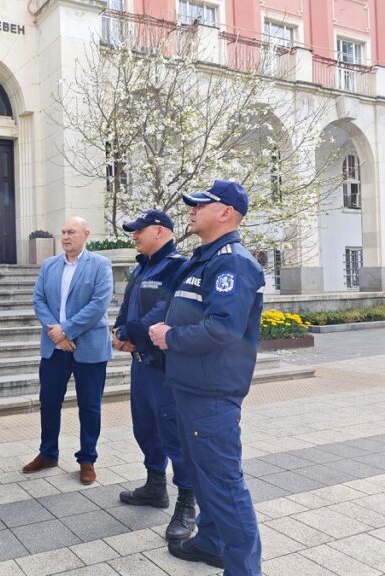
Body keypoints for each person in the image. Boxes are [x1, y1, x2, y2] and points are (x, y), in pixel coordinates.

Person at [149, 180, 263, 575]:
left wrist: (170, 336)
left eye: (201, 204)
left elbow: (223, 329)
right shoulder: (205, 258)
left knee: (225, 485)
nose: (192, 210)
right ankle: (210, 541)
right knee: (203, 476)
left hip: (211, 393)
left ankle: (243, 569)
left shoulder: (232, 261)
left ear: (225, 212)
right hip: (190, 386)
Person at [113, 209, 195, 542]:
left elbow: (166, 309)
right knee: (145, 427)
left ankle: (187, 504)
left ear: (160, 232)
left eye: (139, 231)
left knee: (174, 433)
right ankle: (155, 486)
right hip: (141, 364)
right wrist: (119, 329)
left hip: (165, 368)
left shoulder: (177, 267)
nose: (134, 235)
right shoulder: (141, 268)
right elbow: (126, 306)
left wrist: (132, 331)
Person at [22, 217, 113, 485]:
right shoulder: (49, 265)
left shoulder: (100, 265)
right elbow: (38, 299)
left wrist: (67, 330)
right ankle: (48, 453)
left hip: (89, 348)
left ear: (86, 234)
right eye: (62, 232)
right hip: (54, 347)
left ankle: (87, 460)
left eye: (71, 232)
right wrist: (56, 333)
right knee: (49, 402)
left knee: (90, 406)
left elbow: (98, 305)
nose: (65, 236)